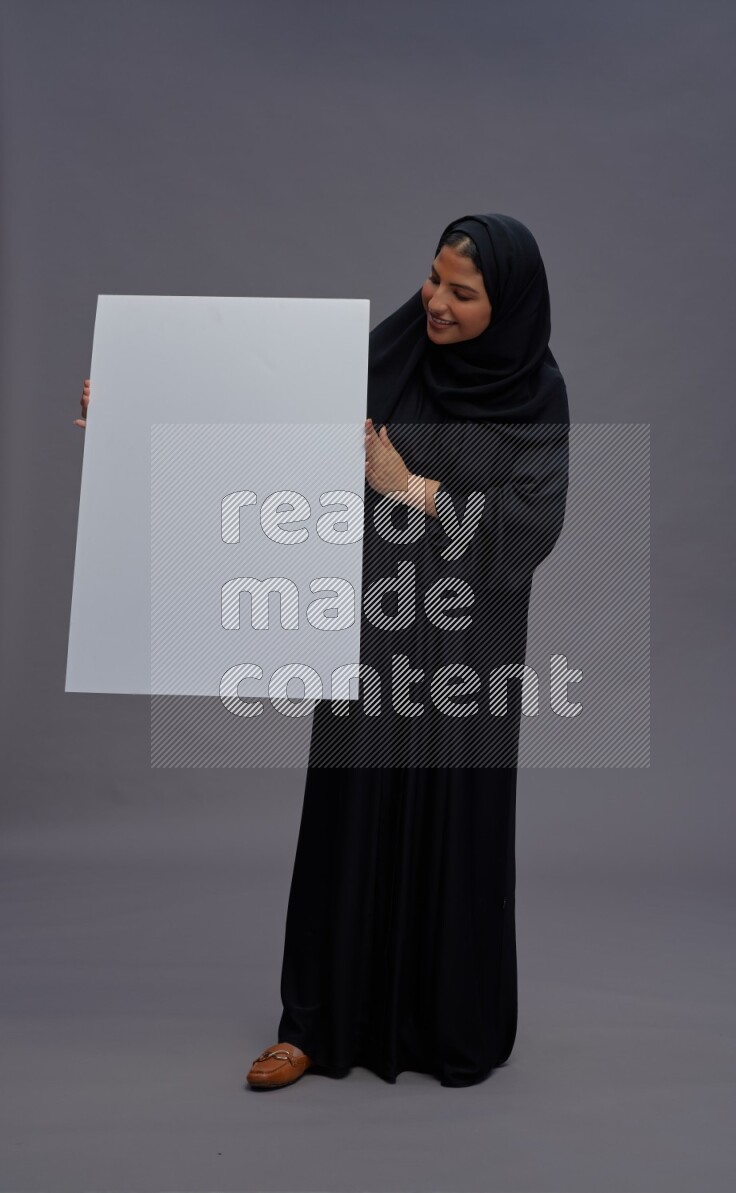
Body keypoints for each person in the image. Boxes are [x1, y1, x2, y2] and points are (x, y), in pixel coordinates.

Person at [74, 211, 570, 1091]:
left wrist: (409, 487)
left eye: (462, 292)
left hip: (468, 654)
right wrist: (127, 413)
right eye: (432, 279)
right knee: (348, 821)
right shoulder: (393, 353)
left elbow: (530, 530)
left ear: (511, 303)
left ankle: (451, 1025)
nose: (436, 302)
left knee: (458, 831)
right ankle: (310, 1025)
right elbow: (268, 418)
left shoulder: (537, 397)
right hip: (369, 632)